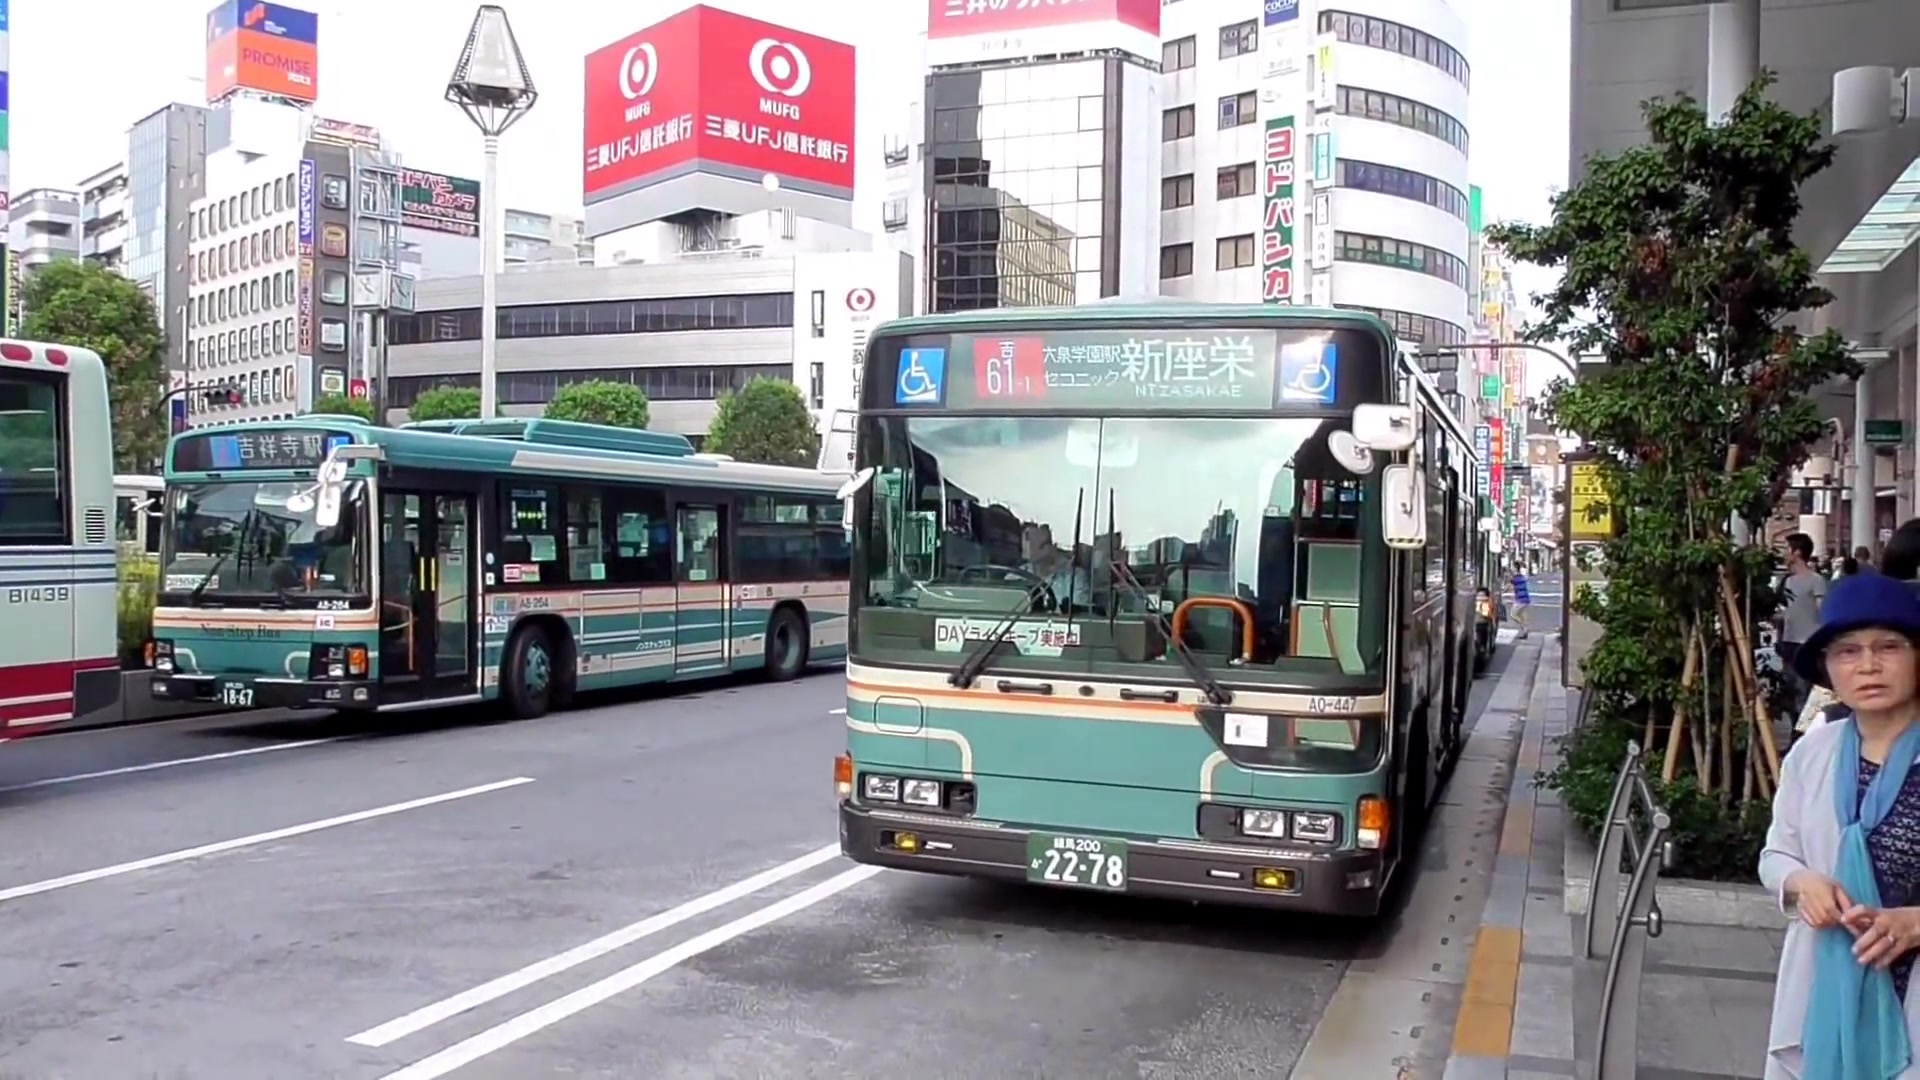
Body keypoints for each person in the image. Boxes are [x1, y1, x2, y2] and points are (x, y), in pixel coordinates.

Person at [1761, 571, 1920, 1077]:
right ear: (1828, 667)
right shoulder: (1816, 751)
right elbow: (1777, 854)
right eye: (1848, 651)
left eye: (1889, 647)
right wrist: (1800, 882)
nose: (1868, 666)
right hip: (1825, 991)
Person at [1779, 533, 1830, 718]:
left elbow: (1822, 609)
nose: (1784, 553)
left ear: (1797, 552)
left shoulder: (1816, 580)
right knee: (1790, 691)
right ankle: (1795, 732)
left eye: (1787, 549)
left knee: (1805, 692)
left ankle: (1806, 734)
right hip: (1788, 640)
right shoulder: (1787, 581)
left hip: (1807, 641)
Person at [1509, 569, 1531, 639]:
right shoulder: (1521, 578)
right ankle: (1525, 632)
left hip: (1520, 600)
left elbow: (1508, 585)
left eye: (1513, 569)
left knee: (1513, 614)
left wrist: (1501, 591)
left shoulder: (1516, 579)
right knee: (1521, 616)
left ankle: (1525, 628)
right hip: (1525, 599)